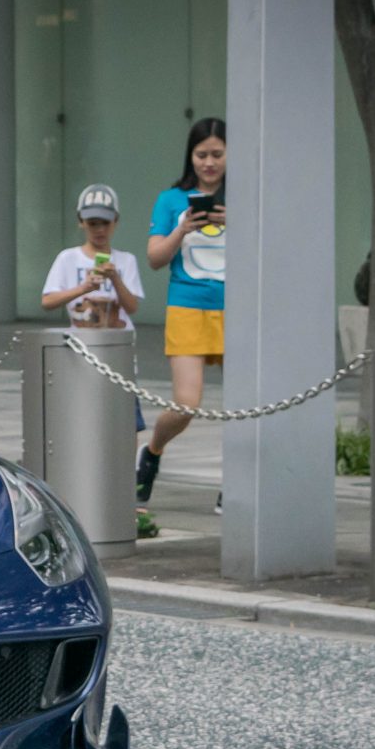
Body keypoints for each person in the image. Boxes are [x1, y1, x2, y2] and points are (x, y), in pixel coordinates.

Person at [137, 117, 227, 509]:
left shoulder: (246, 196)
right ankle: (153, 453)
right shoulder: (171, 200)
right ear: (190, 156)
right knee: (186, 404)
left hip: (237, 311)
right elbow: (155, 258)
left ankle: (237, 481)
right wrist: (182, 229)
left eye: (217, 154)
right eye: (202, 154)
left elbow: (273, 253)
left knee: (248, 403)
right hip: (188, 307)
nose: (209, 163)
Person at [41, 183, 147, 438]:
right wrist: (84, 287)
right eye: (92, 223)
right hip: (81, 351)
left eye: (105, 223)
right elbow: (48, 301)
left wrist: (116, 279)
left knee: (125, 421)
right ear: (81, 223)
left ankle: (127, 475)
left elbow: (132, 307)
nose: (99, 230)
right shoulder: (68, 258)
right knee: (83, 417)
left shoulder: (126, 260)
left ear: (116, 222)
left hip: (119, 350)